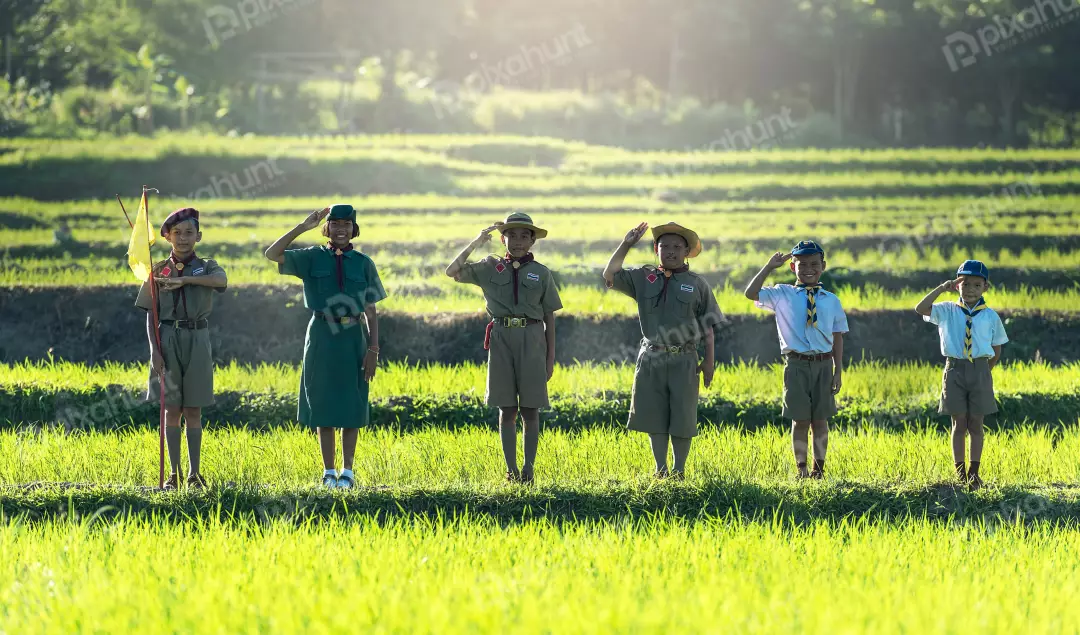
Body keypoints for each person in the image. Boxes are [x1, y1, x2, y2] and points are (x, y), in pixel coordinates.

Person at [264, 204, 387, 488]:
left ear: (354, 229)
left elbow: (371, 310)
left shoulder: (363, 263)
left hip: (353, 335)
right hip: (321, 332)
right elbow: (272, 254)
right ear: (327, 228)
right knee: (323, 401)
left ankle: (348, 472)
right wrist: (302, 227)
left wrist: (373, 349)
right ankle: (328, 472)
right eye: (335, 224)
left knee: (353, 402)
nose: (341, 229)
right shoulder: (311, 258)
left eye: (347, 224)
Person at [446, 212, 562, 484]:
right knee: (506, 410)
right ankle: (511, 471)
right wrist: (477, 241)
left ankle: (529, 470)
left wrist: (550, 357)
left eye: (524, 236)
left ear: (533, 241)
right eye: (512, 235)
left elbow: (550, 318)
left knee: (530, 410)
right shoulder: (489, 266)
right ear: (502, 239)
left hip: (533, 338)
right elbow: (452, 271)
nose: (518, 241)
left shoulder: (541, 273)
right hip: (500, 337)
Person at [602, 221, 721, 479]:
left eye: (677, 246)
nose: (670, 251)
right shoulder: (644, 278)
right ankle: (661, 468)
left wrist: (709, 361)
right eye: (664, 246)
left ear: (687, 251)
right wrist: (627, 243)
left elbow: (708, 327)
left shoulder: (697, 284)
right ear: (656, 249)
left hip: (685, 358)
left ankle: (679, 470)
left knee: (683, 416)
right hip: (651, 356)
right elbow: (609, 274)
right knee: (654, 415)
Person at [135, 207, 228, 491]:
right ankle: (173, 474)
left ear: (198, 236)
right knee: (171, 409)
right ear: (167, 237)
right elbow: (150, 314)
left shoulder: (207, 266)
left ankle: (194, 474)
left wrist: (185, 280)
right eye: (177, 233)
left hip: (197, 339)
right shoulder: (158, 269)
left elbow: (221, 282)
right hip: (167, 338)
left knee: (194, 409)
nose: (183, 238)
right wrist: (154, 350)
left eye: (189, 233)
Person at [744, 241, 847, 480]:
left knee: (820, 421)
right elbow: (751, 293)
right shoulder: (782, 294)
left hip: (823, 364)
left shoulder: (831, 300)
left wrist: (838, 370)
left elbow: (838, 336)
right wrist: (769, 266)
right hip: (796, 365)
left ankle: (818, 470)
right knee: (800, 420)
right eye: (802, 264)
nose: (808, 269)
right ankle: (801, 470)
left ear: (823, 266)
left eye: (814, 264)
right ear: (793, 266)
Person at [916, 260, 1008, 490]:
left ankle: (974, 473)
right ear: (957, 284)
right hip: (954, 369)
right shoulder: (946, 310)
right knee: (958, 423)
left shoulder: (990, 316)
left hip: (980, 369)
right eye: (965, 283)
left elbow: (997, 348)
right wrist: (941, 288)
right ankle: (960, 474)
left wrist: (985, 371)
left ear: (985, 288)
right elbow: (920, 308)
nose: (970, 289)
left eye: (976, 285)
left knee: (976, 423)